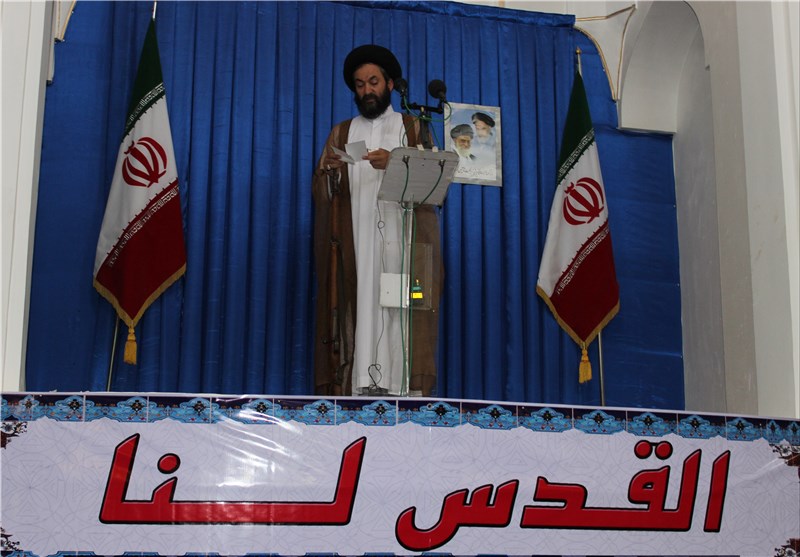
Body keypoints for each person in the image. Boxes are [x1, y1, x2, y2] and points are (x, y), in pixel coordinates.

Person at [312, 45, 442, 397]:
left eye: (373, 82)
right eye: (360, 85)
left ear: (389, 84)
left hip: (405, 243)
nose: (367, 91)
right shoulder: (342, 133)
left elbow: (435, 183)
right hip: (356, 240)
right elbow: (322, 191)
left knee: (402, 309)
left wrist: (397, 162)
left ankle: (403, 386)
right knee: (361, 304)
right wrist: (329, 173)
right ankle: (359, 385)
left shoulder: (412, 127)